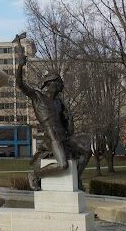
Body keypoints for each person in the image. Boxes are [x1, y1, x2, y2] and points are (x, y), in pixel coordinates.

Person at [13, 33, 90, 190]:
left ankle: (76, 178)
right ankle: (35, 175)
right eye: (59, 83)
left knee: (86, 151)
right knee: (62, 165)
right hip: (52, 137)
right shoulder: (38, 97)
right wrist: (20, 65)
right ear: (51, 84)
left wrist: (69, 119)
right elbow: (19, 84)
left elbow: (69, 129)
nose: (62, 86)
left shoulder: (59, 103)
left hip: (64, 136)